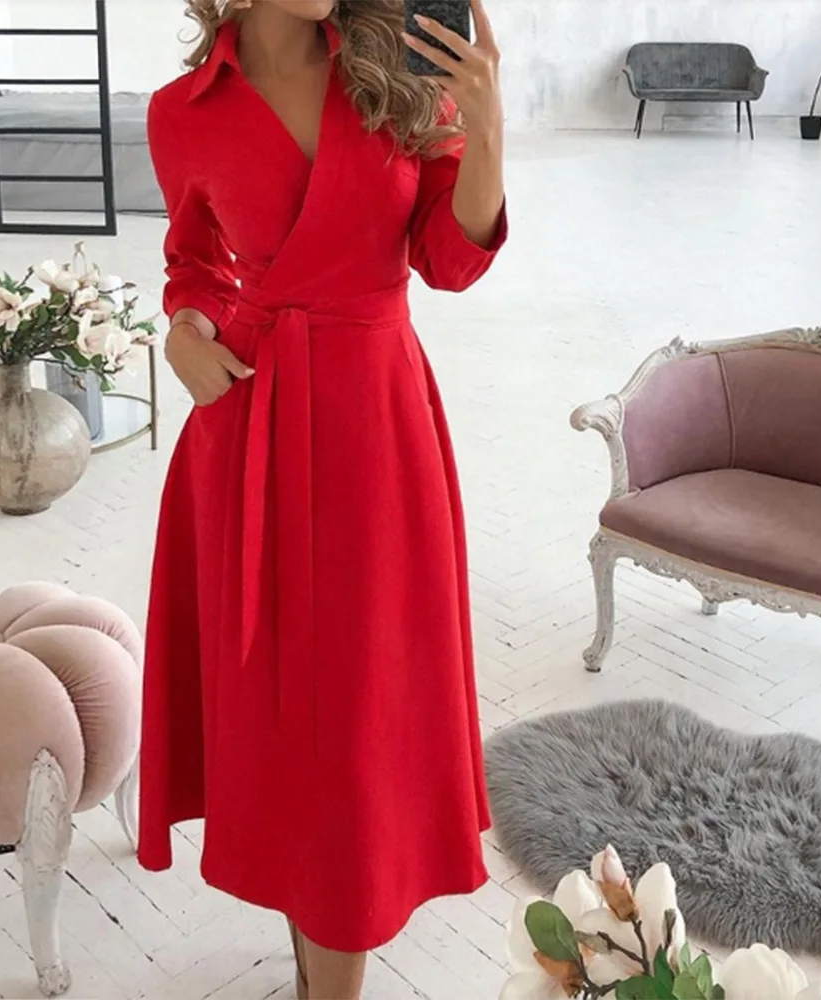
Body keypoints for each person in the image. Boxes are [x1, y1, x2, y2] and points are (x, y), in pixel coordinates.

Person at [139, 0, 506, 996]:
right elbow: (194, 262)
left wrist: (486, 126)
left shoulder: (393, 73)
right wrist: (182, 328)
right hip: (249, 426)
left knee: (358, 724)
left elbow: (449, 260)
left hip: (377, 432)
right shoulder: (180, 111)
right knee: (288, 726)